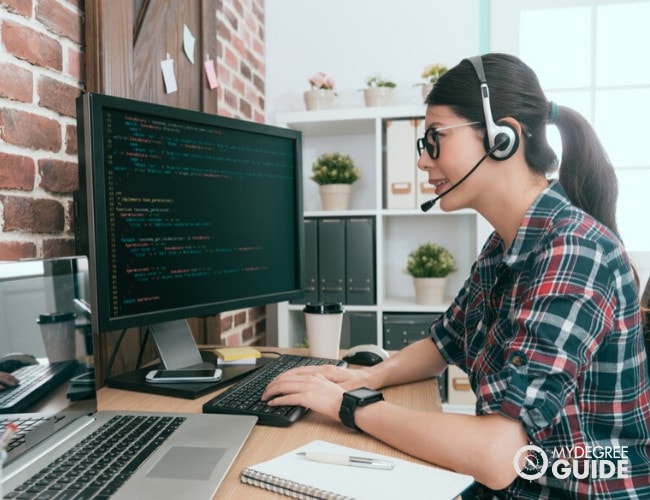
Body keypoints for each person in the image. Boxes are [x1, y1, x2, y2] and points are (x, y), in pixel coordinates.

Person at [263, 53, 650, 498]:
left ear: (502, 137)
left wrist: (350, 406)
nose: (425, 161)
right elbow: (445, 340)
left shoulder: (574, 251)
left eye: (435, 139)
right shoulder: (505, 243)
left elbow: (497, 455)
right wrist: (367, 377)